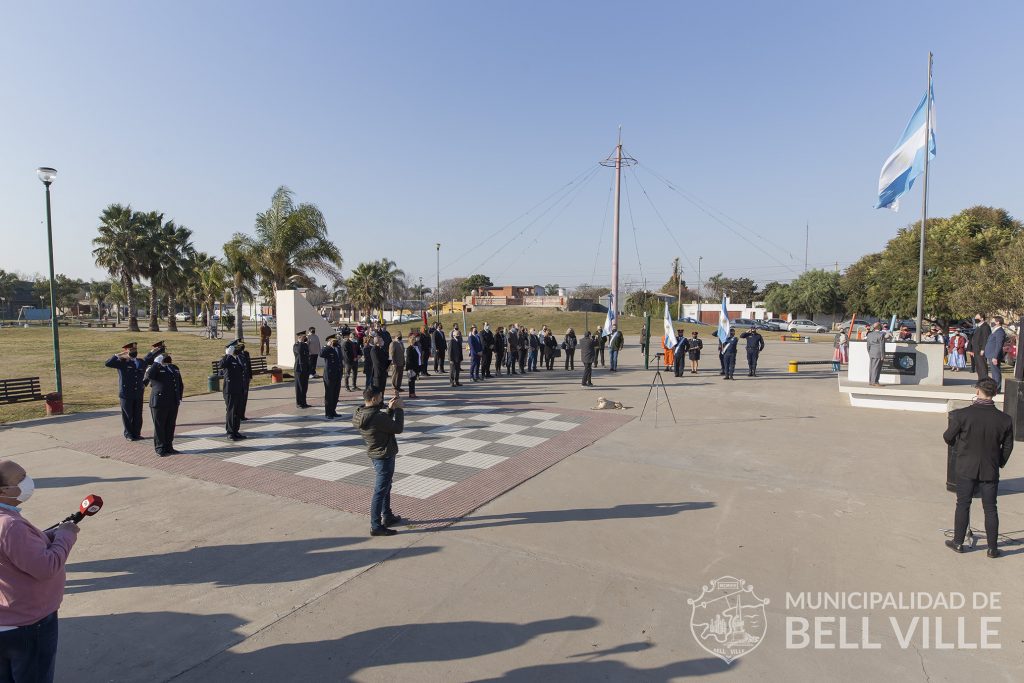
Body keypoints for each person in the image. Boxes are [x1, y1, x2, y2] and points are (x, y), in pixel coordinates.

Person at [0, 460, 80, 682]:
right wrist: (66, 535)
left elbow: (11, 553)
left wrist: (46, 537)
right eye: (21, 478)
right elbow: (46, 567)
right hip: (27, 624)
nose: (28, 480)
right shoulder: (10, 525)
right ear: (4, 490)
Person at [943, 378, 1014, 557]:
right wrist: (999, 462)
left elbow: (948, 437)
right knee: (990, 508)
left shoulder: (962, 415)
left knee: (963, 504)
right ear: (995, 394)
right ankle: (992, 548)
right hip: (990, 468)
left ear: (977, 391)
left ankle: (958, 542)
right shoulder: (1004, 419)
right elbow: (1008, 447)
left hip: (966, 466)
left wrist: (959, 444)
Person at [353, 389, 404, 537]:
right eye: (380, 397)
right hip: (384, 455)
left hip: (376, 454)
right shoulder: (377, 417)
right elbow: (397, 428)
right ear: (374, 399)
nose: (382, 400)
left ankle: (387, 515)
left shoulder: (360, 413)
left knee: (386, 486)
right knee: (380, 491)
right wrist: (399, 409)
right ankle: (376, 525)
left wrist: (390, 409)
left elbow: (382, 425)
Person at [104, 341, 159, 441]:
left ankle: (137, 433)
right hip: (126, 393)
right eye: (132, 350)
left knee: (138, 415)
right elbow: (108, 363)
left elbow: (148, 359)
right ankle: (128, 434)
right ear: (126, 351)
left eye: (135, 349)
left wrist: (152, 351)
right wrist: (119, 355)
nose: (134, 351)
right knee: (128, 415)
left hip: (138, 392)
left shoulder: (140, 362)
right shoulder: (122, 362)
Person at [143, 352, 184, 456]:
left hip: (173, 401)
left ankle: (169, 446)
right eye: (163, 356)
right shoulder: (153, 368)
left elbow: (179, 383)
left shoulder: (173, 367)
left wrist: (179, 397)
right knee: (159, 426)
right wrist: (156, 363)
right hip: (159, 402)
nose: (166, 357)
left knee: (170, 425)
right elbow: (150, 376)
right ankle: (160, 448)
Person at [219, 340, 248, 440]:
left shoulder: (237, 359)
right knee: (231, 411)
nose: (237, 349)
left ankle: (236, 431)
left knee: (237, 411)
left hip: (238, 389)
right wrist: (227, 355)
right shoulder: (227, 359)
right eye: (235, 347)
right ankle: (230, 432)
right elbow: (221, 365)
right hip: (230, 390)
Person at [320, 334, 344, 419]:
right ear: (329, 341)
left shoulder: (337, 347)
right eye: (333, 340)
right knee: (329, 394)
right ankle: (328, 413)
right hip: (329, 375)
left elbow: (341, 359)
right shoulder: (326, 348)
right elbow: (321, 354)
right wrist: (328, 345)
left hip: (337, 374)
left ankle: (333, 411)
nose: (335, 342)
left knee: (335, 394)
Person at [985, 316, 1007, 392]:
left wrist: (995, 356)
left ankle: (997, 388)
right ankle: (995, 387)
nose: (992, 322)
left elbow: (999, 345)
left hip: (994, 355)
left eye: (993, 320)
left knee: (996, 372)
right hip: (991, 354)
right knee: (994, 373)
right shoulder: (995, 330)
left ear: (998, 322)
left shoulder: (1000, 332)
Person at [968, 313, 991, 379]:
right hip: (976, 350)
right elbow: (974, 339)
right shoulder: (978, 327)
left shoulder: (985, 327)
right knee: (978, 367)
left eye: (977, 318)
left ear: (982, 318)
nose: (975, 320)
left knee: (982, 367)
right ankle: (980, 382)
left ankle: (984, 382)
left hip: (980, 350)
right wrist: (971, 349)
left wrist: (983, 349)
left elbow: (985, 339)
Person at [293, 331, 311, 408]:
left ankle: (304, 402)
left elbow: (307, 356)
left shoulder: (305, 345)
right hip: (299, 368)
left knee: (304, 386)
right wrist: (300, 342)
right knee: (299, 386)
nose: (305, 338)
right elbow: (300, 352)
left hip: (305, 368)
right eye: (303, 337)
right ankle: (299, 403)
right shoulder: (296, 345)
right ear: (299, 337)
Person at [236, 340, 253, 421]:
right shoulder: (236, 355)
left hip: (246, 378)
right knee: (240, 397)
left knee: (245, 397)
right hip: (240, 379)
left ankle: (242, 414)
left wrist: (250, 376)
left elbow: (249, 366)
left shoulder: (246, 354)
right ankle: (238, 415)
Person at [865, 322, 886, 386]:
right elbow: (882, 346)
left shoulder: (869, 334)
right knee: (877, 368)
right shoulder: (881, 334)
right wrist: (883, 355)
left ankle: (871, 381)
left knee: (872, 368)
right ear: (879, 327)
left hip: (872, 352)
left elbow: (868, 346)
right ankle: (875, 382)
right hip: (878, 353)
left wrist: (869, 352)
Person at [405, 333, 422, 398]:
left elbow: (419, 356)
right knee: (411, 381)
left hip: (416, 366)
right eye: (413, 340)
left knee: (413, 381)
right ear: (410, 341)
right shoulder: (409, 349)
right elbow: (408, 360)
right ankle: (411, 393)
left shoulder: (415, 347)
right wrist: (410, 369)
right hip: (411, 368)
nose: (414, 341)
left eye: (414, 339)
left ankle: (413, 393)